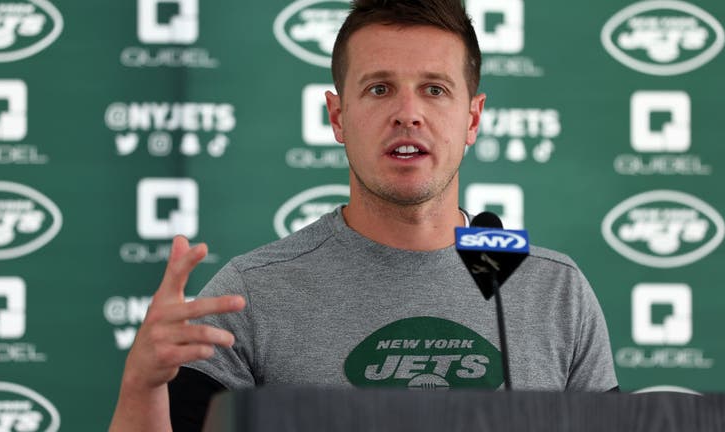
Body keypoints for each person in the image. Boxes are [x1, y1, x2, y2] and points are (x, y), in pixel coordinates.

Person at [109, 0, 618, 430]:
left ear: (473, 119)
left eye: (435, 90)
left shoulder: (554, 291)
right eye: (379, 89)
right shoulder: (252, 294)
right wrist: (140, 385)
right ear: (337, 117)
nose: (407, 114)